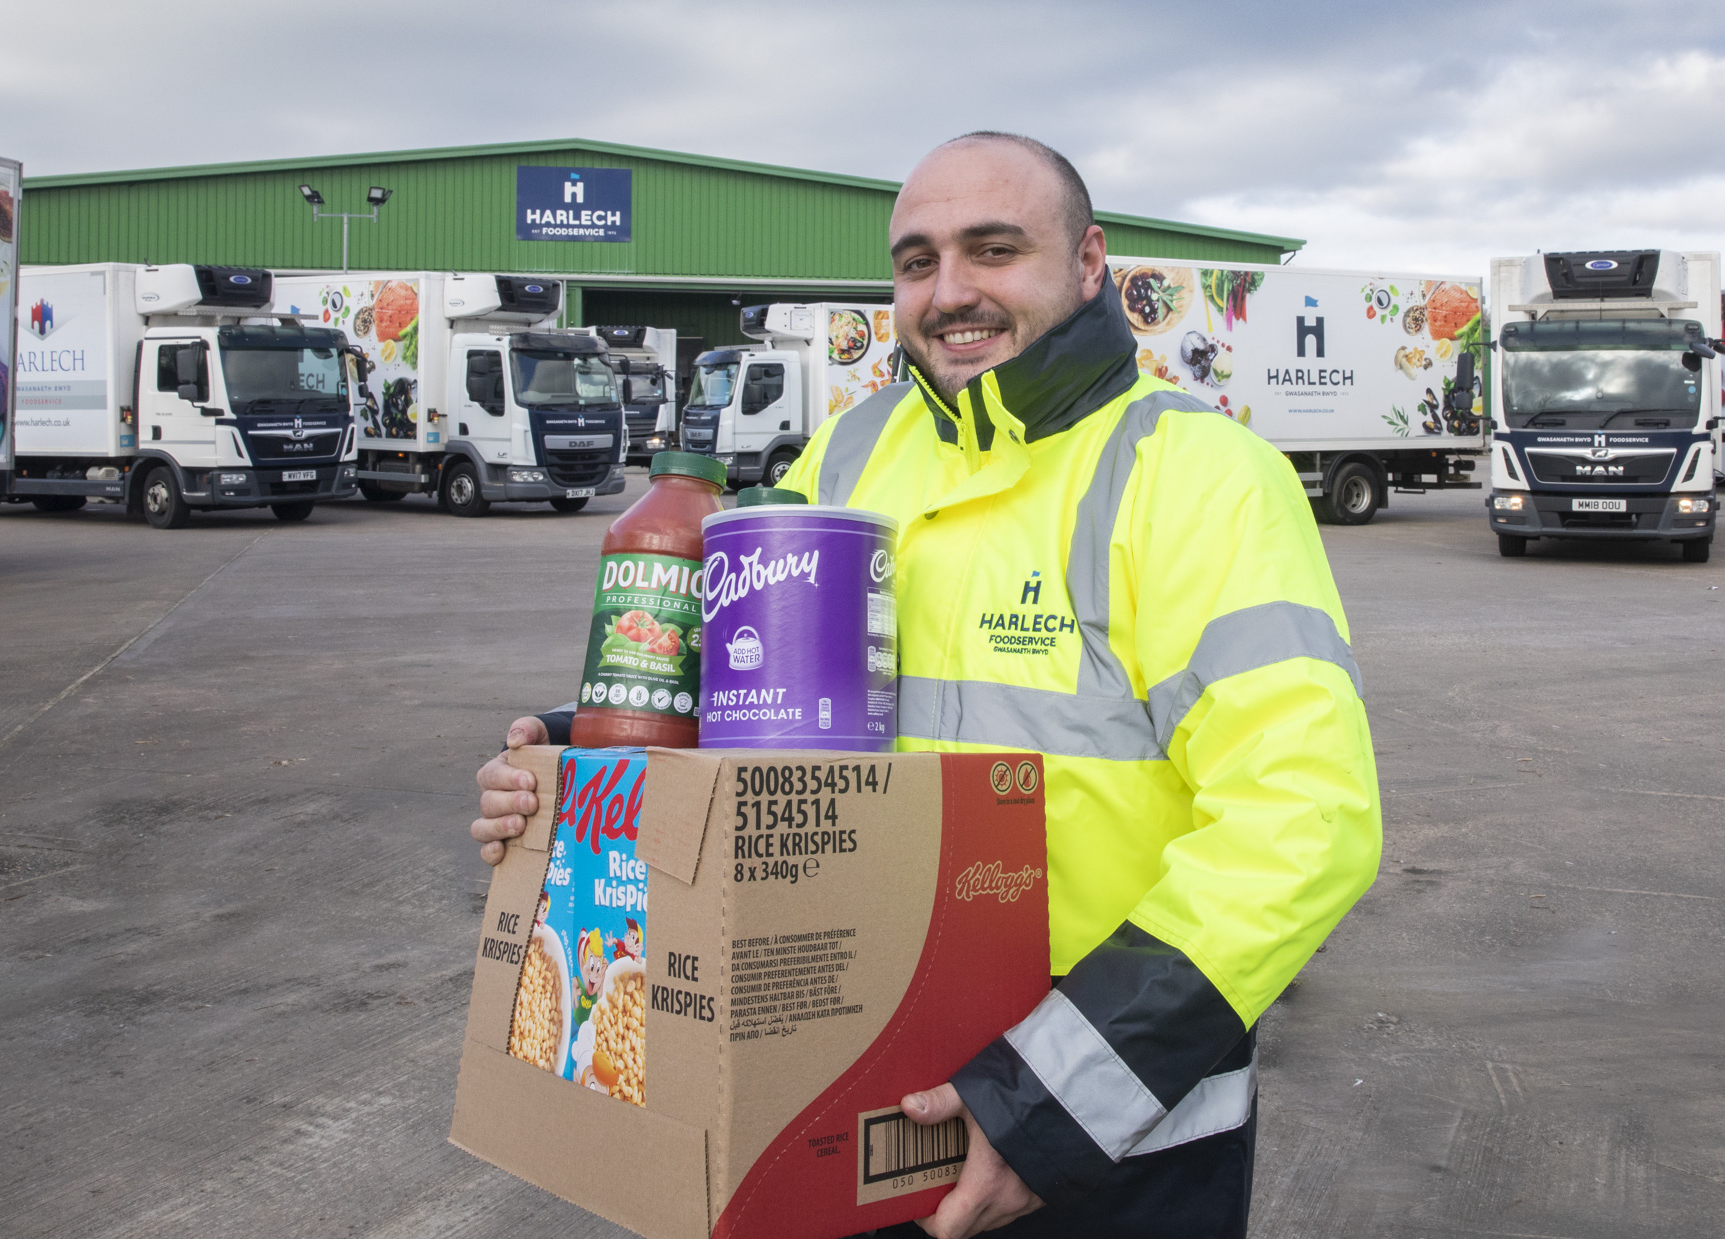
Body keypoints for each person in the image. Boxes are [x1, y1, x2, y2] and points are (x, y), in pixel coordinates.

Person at [471, 132, 1381, 1239]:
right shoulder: (851, 453)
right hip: (842, 1080)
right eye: (917, 262)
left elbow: (1302, 822)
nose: (949, 293)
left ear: (1088, 260)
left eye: (993, 250)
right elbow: (756, 701)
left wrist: (1048, 1106)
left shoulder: (1200, 476)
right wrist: (582, 758)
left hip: (1104, 1145)